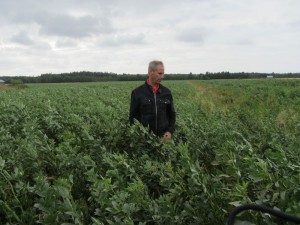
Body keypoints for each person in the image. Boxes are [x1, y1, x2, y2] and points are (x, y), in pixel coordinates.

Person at [129, 60, 176, 143]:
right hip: (144, 139)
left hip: (163, 139)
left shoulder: (166, 92)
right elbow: (133, 117)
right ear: (150, 71)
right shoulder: (137, 93)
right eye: (160, 73)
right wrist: (139, 135)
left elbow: (171, 114)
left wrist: (170, 131)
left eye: (163, 73)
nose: (162, 76)